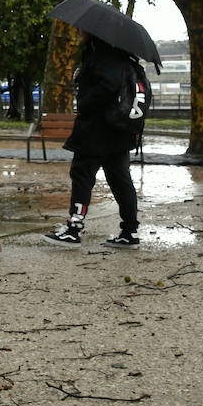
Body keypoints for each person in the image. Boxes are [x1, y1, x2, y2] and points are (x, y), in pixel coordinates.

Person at [44, 34, 143, 249]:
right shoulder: (125, 58)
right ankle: (129, 231)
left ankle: (73, 229)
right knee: (120, 180)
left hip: (96, 131)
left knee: (82, 175)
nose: (80, 34)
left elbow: (106, 87)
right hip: (120, 131)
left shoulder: (101, 57)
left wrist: (84, 95)